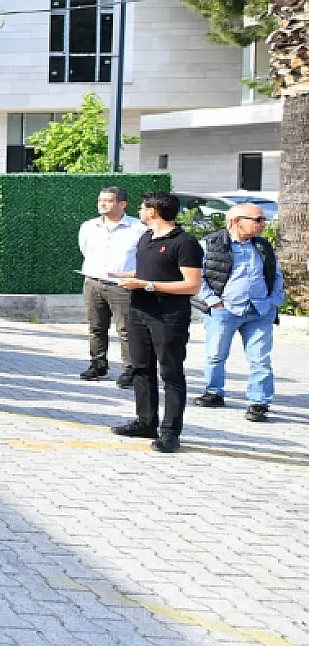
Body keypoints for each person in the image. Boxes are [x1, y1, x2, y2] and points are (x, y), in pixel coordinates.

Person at [109, 192, 205, 453]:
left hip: (169, 316)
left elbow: (192, 285)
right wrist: (122, 276)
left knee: (171, 373)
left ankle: (171, 431)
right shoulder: (147, 237)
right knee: (141, 367)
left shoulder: (185, 243)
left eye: (142, 208)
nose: (139, 211)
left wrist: (147, 285)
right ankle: (145, 421)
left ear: (154, 211)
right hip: (139, 311)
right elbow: (148, 271)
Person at [195, 203, 281, 423]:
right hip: (224, 310)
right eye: (258, 220)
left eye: (263, 220)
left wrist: (274, 302)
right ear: (236, 221)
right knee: (216, 354)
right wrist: (213, 302)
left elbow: (276, 274)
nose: (263, 224)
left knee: (260, 359)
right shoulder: (210, 244)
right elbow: (197, 276)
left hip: (259, 311)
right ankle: (214, 392)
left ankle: (259, 402)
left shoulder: (262, 246)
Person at [77, 187, 145, 385]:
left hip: (122, 286)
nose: (102, 204)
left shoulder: (138, 228)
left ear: (122, 204)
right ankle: (98, 364)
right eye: (100, 200)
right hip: (93, 282)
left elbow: (142, 257)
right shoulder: (89, 226)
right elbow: (84, 249)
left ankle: (130, 369)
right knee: (96, 326)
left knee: (126, 329)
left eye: (108, 200)